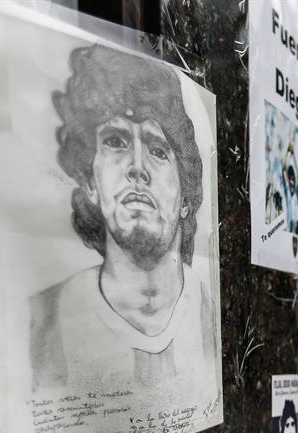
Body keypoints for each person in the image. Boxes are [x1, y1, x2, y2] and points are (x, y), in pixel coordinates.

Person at [31, 44, 217, 392]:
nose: (137, 167)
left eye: (158, 149)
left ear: (186, 199)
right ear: (90, 182)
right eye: (115, 142)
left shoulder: (212, 319)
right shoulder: (41, 323)